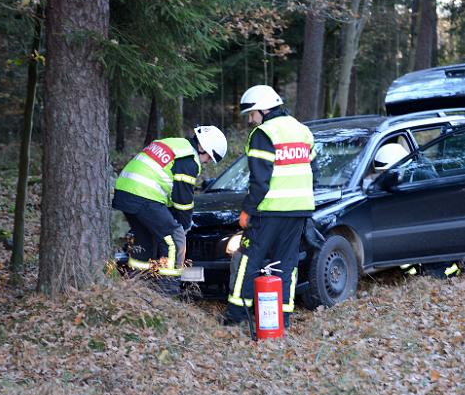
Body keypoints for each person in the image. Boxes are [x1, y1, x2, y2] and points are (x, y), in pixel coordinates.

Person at [222, 85, 315, 328]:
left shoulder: (263, 134)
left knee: (248, 260)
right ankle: (281, 318)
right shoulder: (302, 130)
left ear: (264, 109)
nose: (251, 120)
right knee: (287, 264)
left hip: (269, 209)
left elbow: (260, 181)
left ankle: (236, 315)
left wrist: (247, 210)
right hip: (299, 209)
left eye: (252, 114)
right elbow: (308, 164)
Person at [112, 126, 227, 293]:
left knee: (144, 240)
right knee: (175, 238)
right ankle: (168, 293)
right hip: (144, 194)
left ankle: (137, 288)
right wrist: (184, 225)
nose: (207, 161)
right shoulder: (189, 160)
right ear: (202, 147)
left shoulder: (174, 143)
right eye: (209, 157)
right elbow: (183, 200)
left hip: (125, 191)